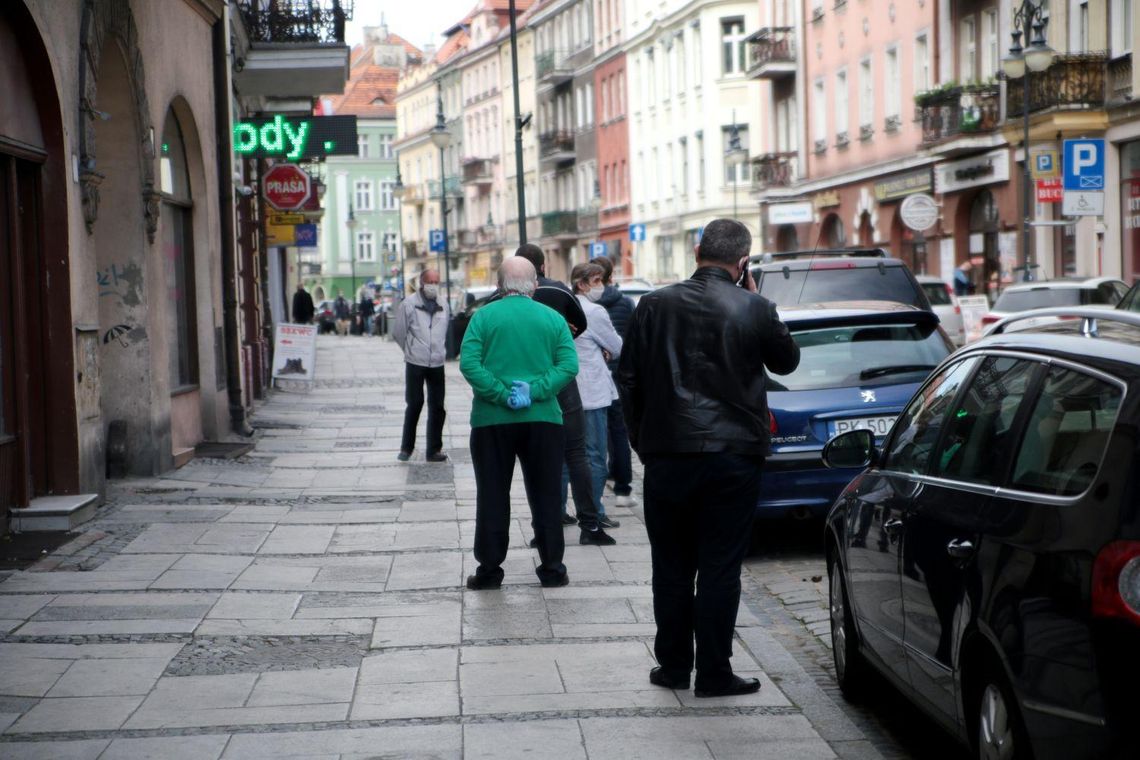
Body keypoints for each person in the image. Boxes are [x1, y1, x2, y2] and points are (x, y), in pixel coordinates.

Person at [618, 218, 800, 698]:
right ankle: (715, 671)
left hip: (668, 454)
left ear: (697, 251)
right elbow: (787, 361)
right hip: (733, 455)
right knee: (720, 566)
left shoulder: (652, 305)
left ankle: (675, 666)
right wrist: (758, 299)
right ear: (743, 263)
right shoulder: (754, 306)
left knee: (671, 566)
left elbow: (628, 381)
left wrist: (644, 442)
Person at [460, 257, 579, 589]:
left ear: (499, 286)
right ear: (536, 285)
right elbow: (569, 365)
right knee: (546, 494)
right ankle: (553, 568)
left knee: (492, 494)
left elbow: (469, 364)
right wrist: (537, 390)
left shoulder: (483, 317)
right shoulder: (553, 318)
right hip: (543, 418)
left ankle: (489, 570)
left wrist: (500, 393)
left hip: (491, 419)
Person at [514, 245, 616, 544]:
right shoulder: (558, 292)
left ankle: (543, 529)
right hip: (562, 382)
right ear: (542, 267)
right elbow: (578, 325)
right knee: (577, 454)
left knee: (539, 460)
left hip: (527, 383)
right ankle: (590, 525)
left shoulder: (503, 300)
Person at [569, 262, 623, 531]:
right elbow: (616, 345)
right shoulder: (594, 311)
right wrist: (607, 350)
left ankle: (562, 509)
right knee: (595, 455)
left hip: (568, 392)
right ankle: (595, 511)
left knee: (568, 456)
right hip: (591, 391)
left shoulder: (564, 307)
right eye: (597, 280)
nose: (602, 286)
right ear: (582, 283)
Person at [591, 256, 636, 507]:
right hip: (620, 373)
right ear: (610, 276)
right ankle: (623, 488)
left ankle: (596, 485)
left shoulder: (584, 303)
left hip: (594, 374)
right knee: (619, 430)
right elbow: (634, 338)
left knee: (595, 429)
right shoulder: (625, 303)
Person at [392, 270, 450, 463]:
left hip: (437, 363)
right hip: (415, 361)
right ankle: (406, 448)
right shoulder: (409, 304)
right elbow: (399, 332)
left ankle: (433, 450)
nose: (433, 284)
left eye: (436, 281)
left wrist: (440, 350)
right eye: (429, 281)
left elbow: (444, 330)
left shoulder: (443, 303)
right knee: (414, 404)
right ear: (421, 282)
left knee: (438, 407)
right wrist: (411, 350)